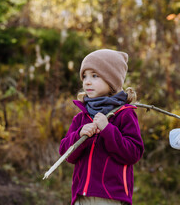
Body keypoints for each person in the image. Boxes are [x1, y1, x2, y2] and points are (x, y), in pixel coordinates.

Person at [59, 49, 144, 205]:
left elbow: (133, 153)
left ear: (112, 81)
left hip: (110, 197)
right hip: (81, 196)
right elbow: (66, 154)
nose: (87, 81)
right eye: (84, 76)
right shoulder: (82, 117)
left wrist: (108, 130)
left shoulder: (124, 114)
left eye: (94, 76)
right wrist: (79, 136)